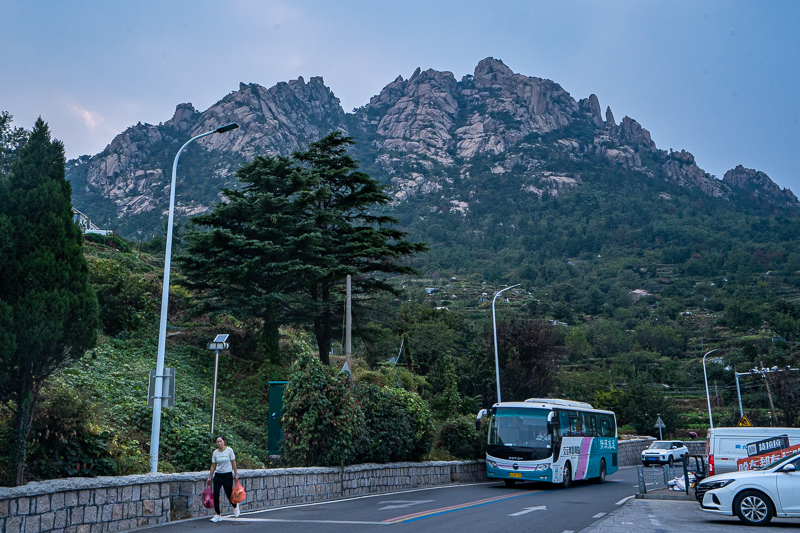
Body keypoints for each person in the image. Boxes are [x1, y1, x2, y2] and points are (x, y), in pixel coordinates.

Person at [207, 435, 239, 522]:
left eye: (220, 441)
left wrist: (235, 474)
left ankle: (235, 506)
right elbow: (213, 465)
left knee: (229, 493)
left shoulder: (229, 450)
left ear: (224, 441)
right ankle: (217, 514)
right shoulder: (215, 453)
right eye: (217, 442)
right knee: (216, 494)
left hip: (227, 475)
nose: (219, 443)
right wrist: (210, 477)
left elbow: (233, 463)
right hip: (218, 475)